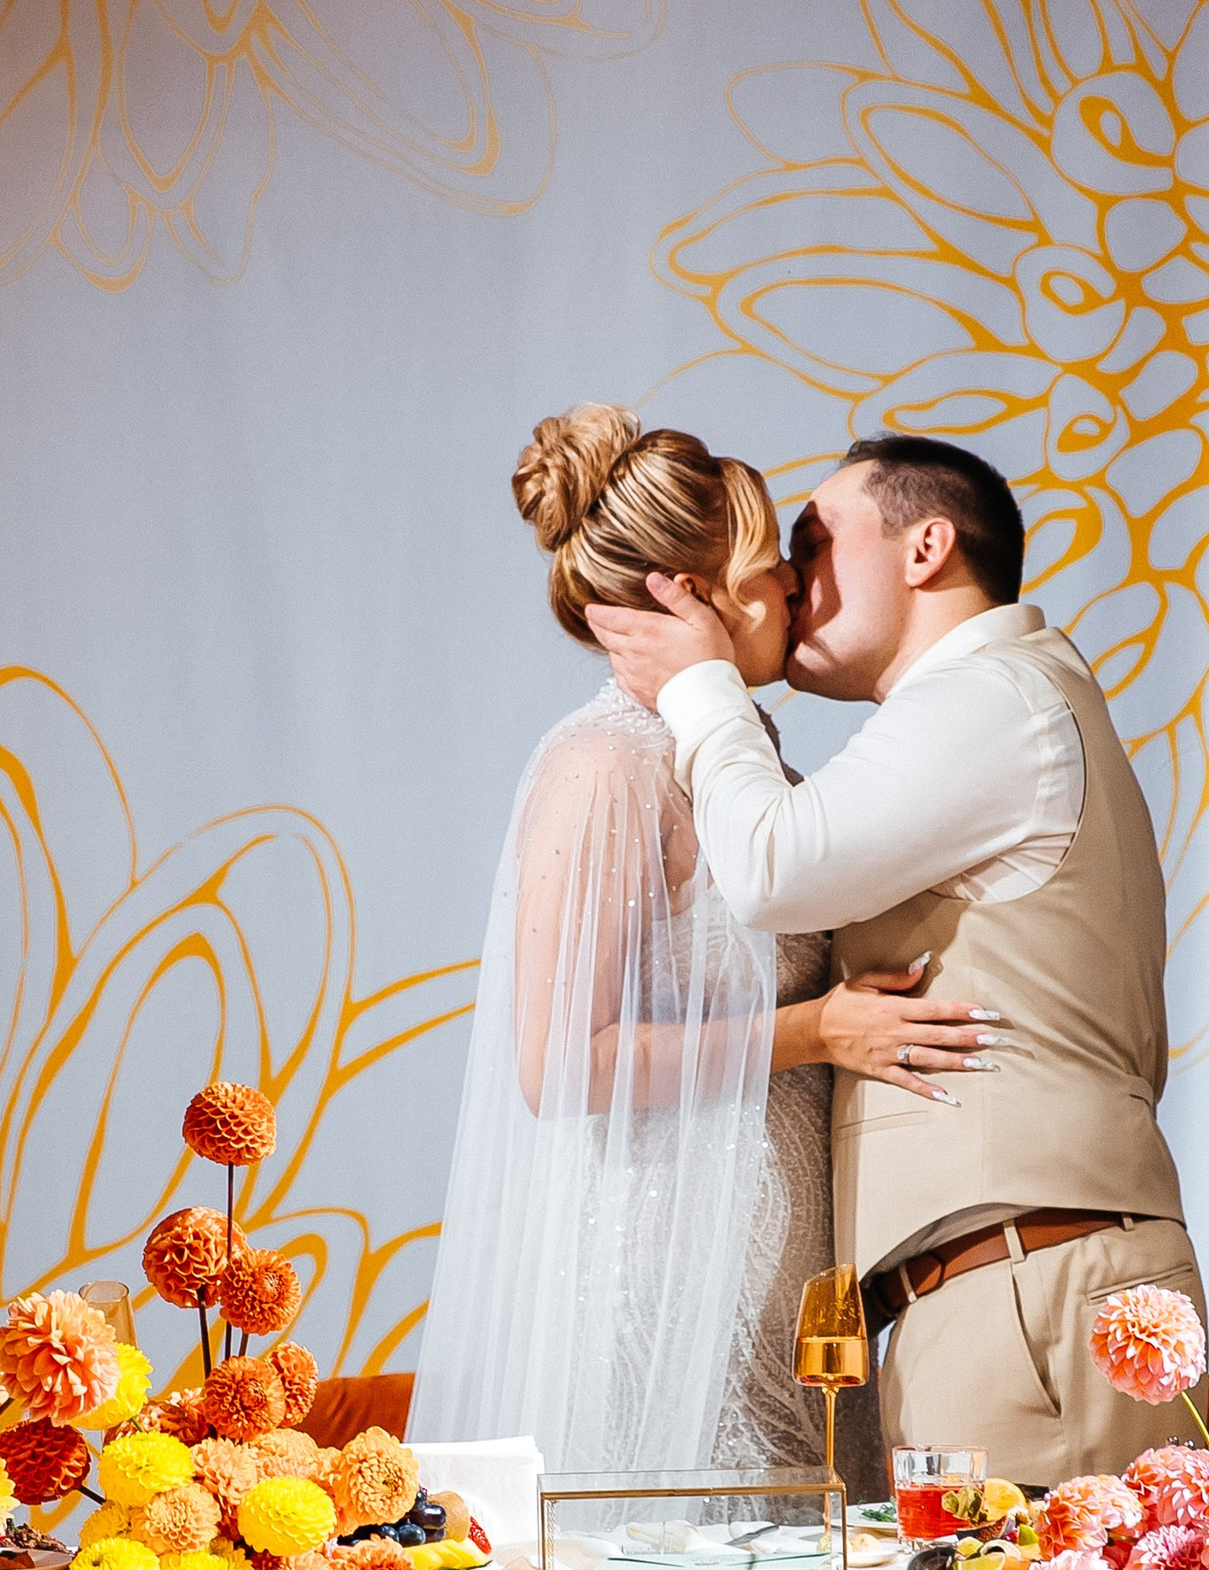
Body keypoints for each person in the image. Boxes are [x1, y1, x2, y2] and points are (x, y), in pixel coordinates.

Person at [589, 433, 1206, 1485]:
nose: (791, 576)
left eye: (816, 541)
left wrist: (701, 688)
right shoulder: (975, 706)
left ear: (925, 547)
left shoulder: (993, 697)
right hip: (994, 1283)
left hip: (1026, 1280)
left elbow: (776, 867)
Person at [413, 408, 988, 1475]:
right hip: (669, 1297)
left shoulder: (739, 756)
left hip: (785, 1301)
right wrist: (818, 1027)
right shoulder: (605, 767)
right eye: (772, 569)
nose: (792, 591)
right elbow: (560, 1063)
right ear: (692, 594)